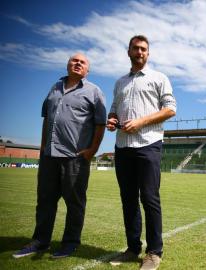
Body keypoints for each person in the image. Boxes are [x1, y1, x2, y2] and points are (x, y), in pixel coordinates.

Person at [13, 53, 106, 259]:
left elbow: (100, 123)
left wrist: (92, 151)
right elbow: (47, 120)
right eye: (74, 60)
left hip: (75, 157)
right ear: (67, 65)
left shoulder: (94, 92)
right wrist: (42, 148)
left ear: (87, 70)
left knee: (74, 202)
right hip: (49, 156)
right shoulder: (54, 89)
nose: (78, 63)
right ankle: (40, 241)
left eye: (83, 62)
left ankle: (70, 243)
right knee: (45, 200)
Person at [106, 35, 176, 270]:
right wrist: (112, 119)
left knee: (149, 198)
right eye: (135, 48)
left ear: (148, 53)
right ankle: (132, 248)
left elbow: (170, 109)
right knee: (128, 200)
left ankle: (154, 252)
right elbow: (114, 110)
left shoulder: (159, 78)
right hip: (123, 146)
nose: (140, 52)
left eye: (144, 49)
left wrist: (141, 122)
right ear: (128, 52)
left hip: (148, 144)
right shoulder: (119, 82)